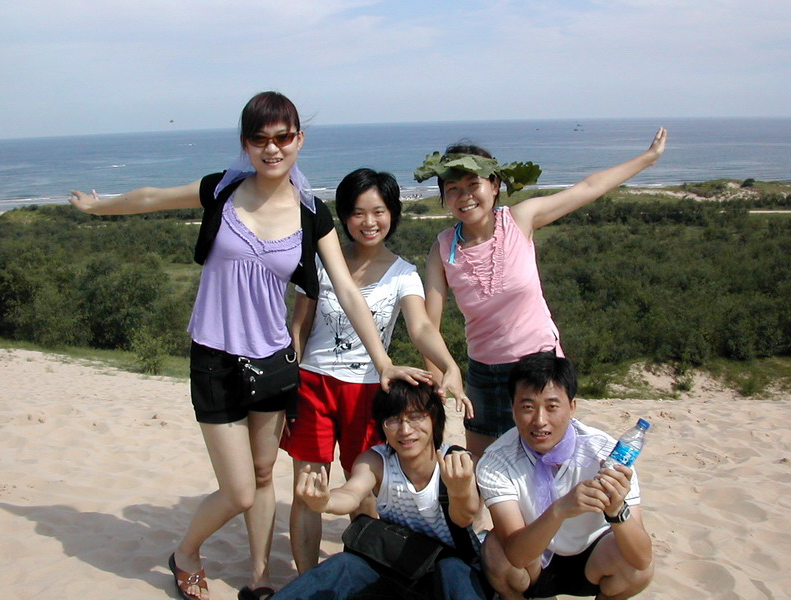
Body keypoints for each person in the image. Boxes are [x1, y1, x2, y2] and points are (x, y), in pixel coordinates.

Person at [68, 92, 431, 600]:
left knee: (263, 474)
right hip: (214, 357)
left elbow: (347, 290)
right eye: (260, 139)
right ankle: (186, 552)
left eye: (283, 137)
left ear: (299, 140)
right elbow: (151, 197)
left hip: (273, 361)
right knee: (239, 490)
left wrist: (383, 361)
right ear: (246, 143)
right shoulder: (222, 189)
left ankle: (259, 577)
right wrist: (99, 206)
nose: (272, 148)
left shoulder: (311, 213)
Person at [417, 128, 667, 457]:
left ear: (494, 185)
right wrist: (438, 386)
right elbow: (428, 326)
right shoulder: (443, 248)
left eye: (473, 185)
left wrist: (647, 159)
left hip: (539, 365)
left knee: (545, 459)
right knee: (482, 466)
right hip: (483, 374)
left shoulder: (519, 219)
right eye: (453, 189)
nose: (465, 197)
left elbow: (588, 188)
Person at [281, 167, 473, 573]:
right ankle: (305, 581)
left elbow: (421, 327)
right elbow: (299, 327)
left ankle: (362, 573)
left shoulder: (403, 273)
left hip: (370, 390)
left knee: (364, 490)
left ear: (393, 213)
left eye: (379, 211)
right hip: (313, 383)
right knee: (308, 488)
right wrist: (288, 386)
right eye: (357, 212)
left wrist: (449, 365)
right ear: (343, 216)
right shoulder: (319, 261)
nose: (368, 222)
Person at [273, 380, 490, 600]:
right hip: (396, 569)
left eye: (416, 416)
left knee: (452, 568)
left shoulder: (459, 463)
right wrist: (326, 502)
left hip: (448, 574)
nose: (405, 430)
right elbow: (351, 493)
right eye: (393, 420)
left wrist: (459, 491)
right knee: (344, 564)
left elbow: (464, 518)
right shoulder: (376, 461)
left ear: (434, 418)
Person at [476, 352, 653, 599]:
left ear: (572, 407)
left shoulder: (606, 453)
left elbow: (642, 559)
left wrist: (616, 511)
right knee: (495, 553)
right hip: (532, 562)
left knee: (637, 571)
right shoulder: (496, 461)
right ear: (512, 408)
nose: (540, 421)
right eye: (527, 407)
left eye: (552, 407)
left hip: (592, 561)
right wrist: (559, 510)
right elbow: (516, 557)